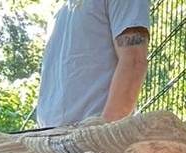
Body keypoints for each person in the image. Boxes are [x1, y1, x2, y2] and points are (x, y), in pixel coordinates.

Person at [35, 0, 150, 128]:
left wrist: (105, 131)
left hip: (92, 137)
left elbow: (134, 61)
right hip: (47, 136)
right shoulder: (61, 10)